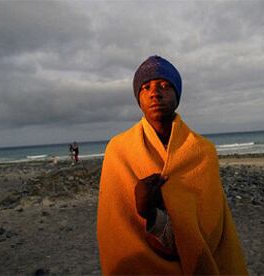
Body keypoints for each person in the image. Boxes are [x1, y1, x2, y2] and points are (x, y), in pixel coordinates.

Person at [97, 55, 248, 275]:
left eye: (165, 86)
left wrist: (152, 214)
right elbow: (115, 228)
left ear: (177, 94)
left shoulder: (203, 151)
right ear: (138, 97)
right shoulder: (118, 150)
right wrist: (145, 210)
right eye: (146, 87)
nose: (155, 93)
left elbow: (211, 228)